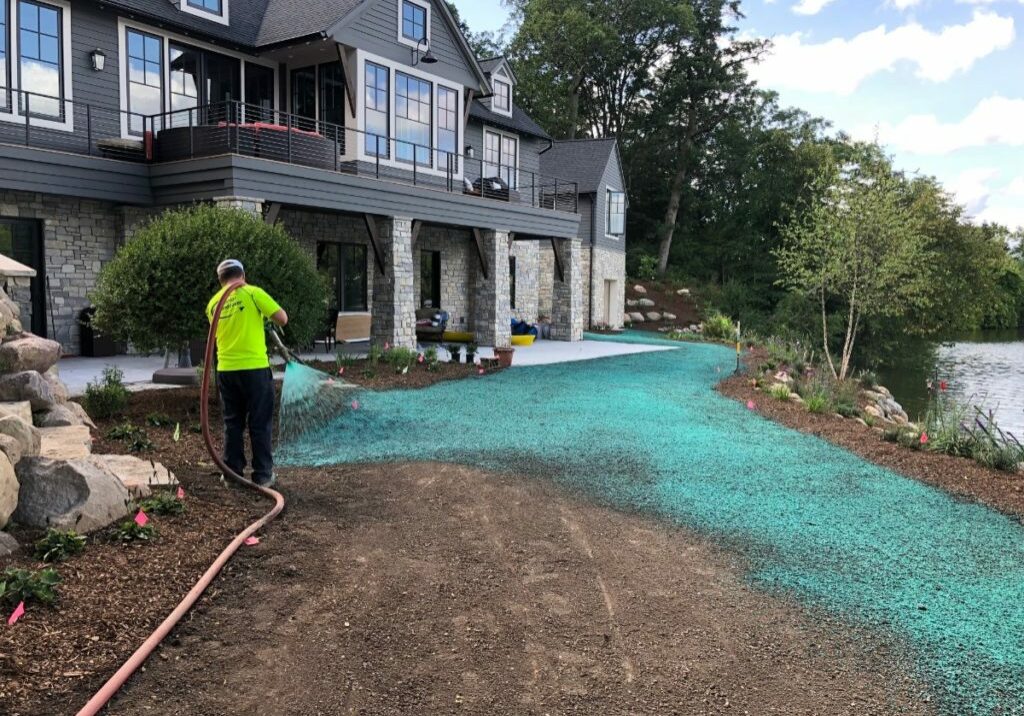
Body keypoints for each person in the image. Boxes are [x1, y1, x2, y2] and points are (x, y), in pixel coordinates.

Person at [206, 259, 288, 487]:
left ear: (221, 280)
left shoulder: (213, 303)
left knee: (232, 422)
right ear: (243, 275)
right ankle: (263, 476)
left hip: (227, 371)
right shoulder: (253, 292)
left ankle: (232, 474)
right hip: (254, 369)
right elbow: (283, 318)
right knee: (260, 422)